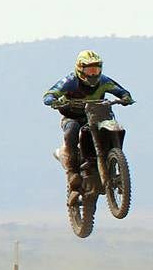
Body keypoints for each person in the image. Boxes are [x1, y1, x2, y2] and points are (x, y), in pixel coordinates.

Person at [42, 50, 134, 205]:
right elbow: (50, 94)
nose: (93, 74)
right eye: (89, 70)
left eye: (96, 69)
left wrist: (125, 98)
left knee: (115, 128)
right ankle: (73, 174)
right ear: (80, 69)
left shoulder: (104, 81)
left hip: (97, 116)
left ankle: (113, 160)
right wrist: (53, 101)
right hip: (73, 117)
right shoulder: (70, 81)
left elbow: (121, 91)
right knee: (71, 132)